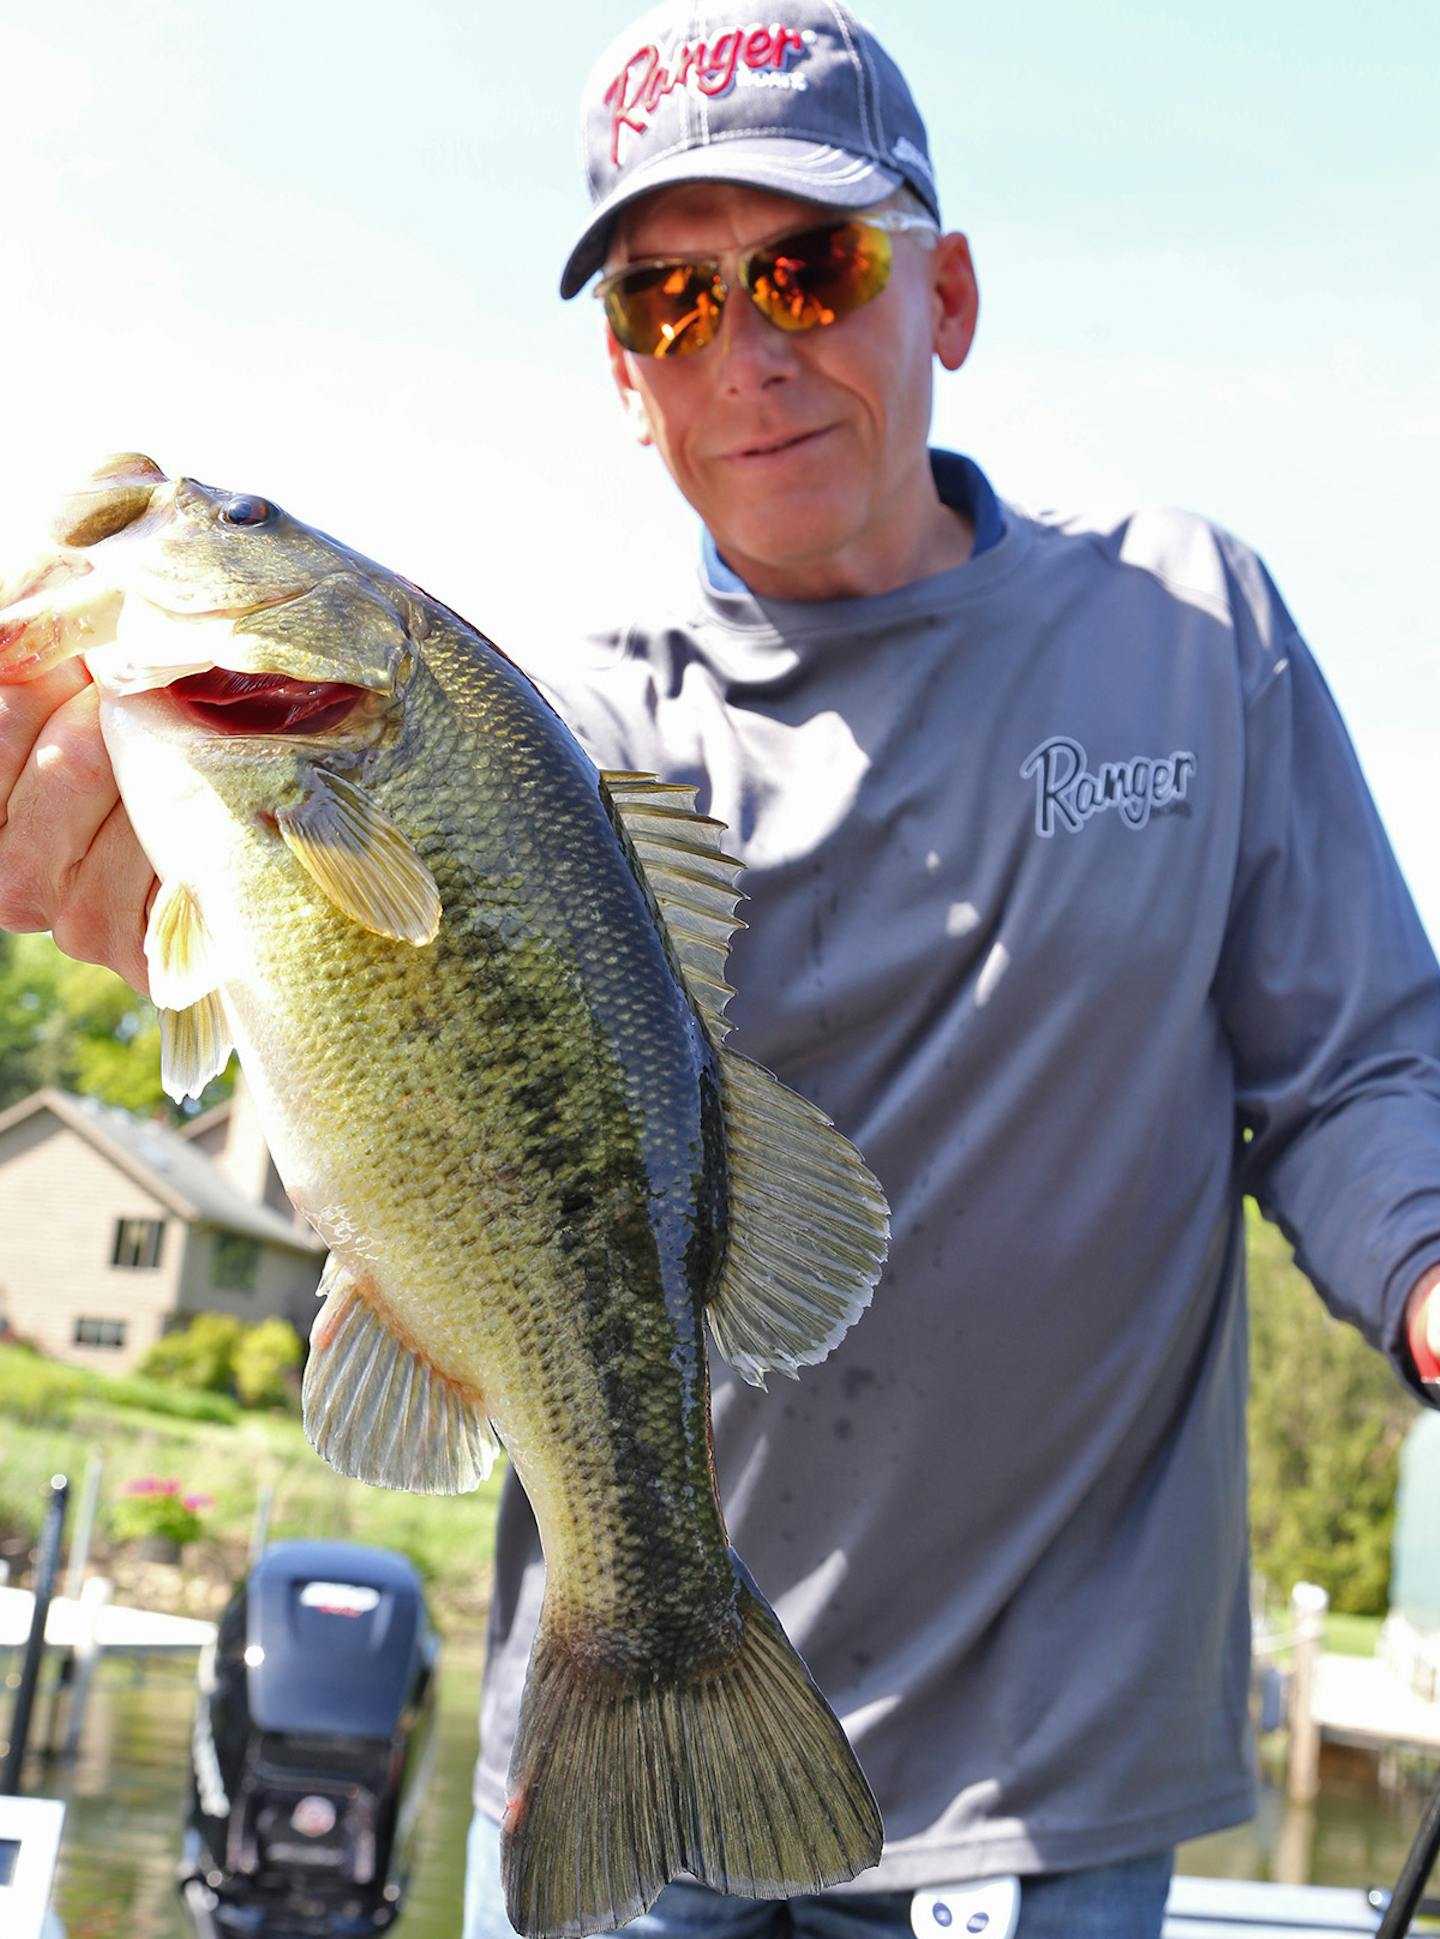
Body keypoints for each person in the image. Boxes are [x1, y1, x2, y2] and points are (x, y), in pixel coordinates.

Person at [0, 7, 1436, 1939]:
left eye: (809, 268)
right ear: (621, 375)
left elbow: (1355, 1073)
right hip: (619, 1749)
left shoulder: (1190, 630)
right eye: (669, 301)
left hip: (1045, 1774)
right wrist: (129, 875)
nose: (744, 350)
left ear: (950, 292)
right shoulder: (569, 742)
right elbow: (355, 1081)